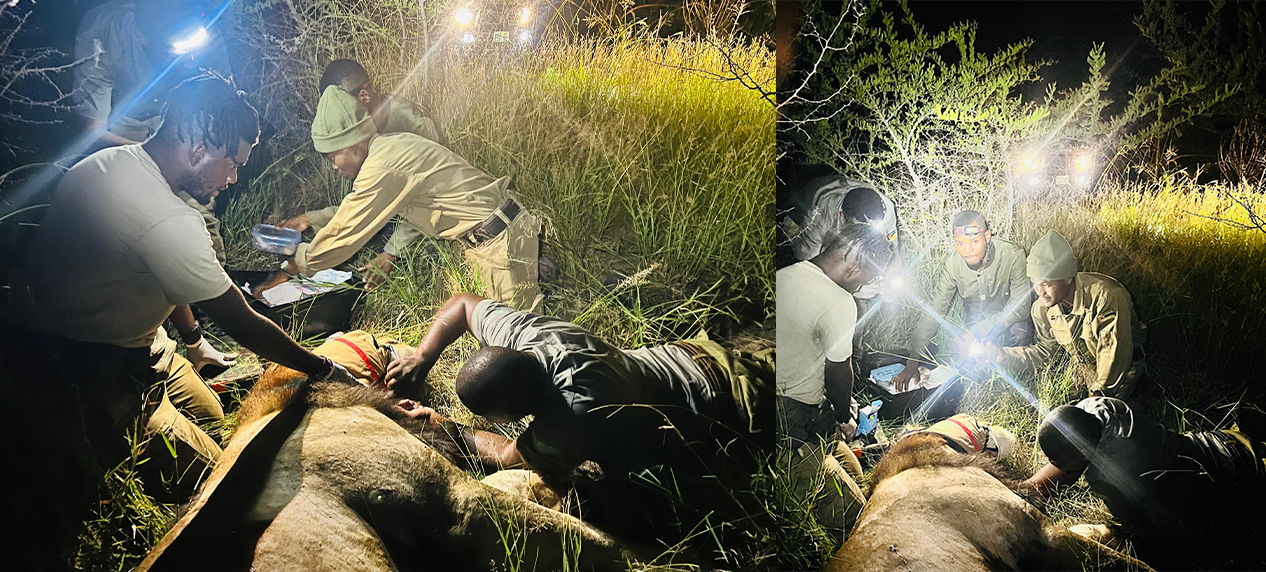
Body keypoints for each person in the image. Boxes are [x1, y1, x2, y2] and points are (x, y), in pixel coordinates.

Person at [0, 74, 354, 569]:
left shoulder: (110, 162)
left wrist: (193, 341)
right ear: (198, 145)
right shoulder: (169, 220)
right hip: (91, 372)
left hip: (139, 342)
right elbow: (244, 322)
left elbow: (170, 277)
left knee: (216, 416)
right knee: (218, 479)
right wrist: (322, 369)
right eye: (231, 162)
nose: (232, 179)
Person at [382, 292, 774, 550]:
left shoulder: (571, 417)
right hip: (689, 355)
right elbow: (465, 306)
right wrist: (421, 356)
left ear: (512, 414)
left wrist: (446, 426)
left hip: (730, 405)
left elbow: (505, 454)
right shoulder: (530, 336)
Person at [74, 0, 239, 373]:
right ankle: (143, 340)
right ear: (142, 24)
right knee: (146, 246)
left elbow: (225, 105)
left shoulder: (206, 34)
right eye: (167, 41)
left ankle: (198, 337)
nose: (178, 48)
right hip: (124, 133)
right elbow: (91, 131)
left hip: (189, 132)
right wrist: (158, 159)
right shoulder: (103, 32)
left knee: (204, 241)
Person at [271, 86, 543, 309]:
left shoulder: (382, 166)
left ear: (352, 144)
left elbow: (347, 230)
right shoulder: (387, 150)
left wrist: (295, 265)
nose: (334, 166)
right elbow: (359, 207)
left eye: (333, 157)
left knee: (521, 342)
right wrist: (310, 219)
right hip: (490, 237)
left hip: (498, 241)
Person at [1024, 398, 1266, 569]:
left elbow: (1151, 524)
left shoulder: (1113, 475)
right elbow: (1070, 463)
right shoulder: (1093, 408)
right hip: (1219, 443)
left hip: (1234, 475)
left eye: (1055, 458)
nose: (1049, 462)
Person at [279, 59, 451, 287]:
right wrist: (311, 219)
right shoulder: (358, 137)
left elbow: (433, 197)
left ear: (363, 97)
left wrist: (392, 253)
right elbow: (363, 200)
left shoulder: (409, 124)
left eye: (343, 104)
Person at [984, 229, 1147, 400]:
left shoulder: (1105, 296)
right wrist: (1003, 356)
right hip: (1085, 370)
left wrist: (1097, 393)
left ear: (1068, 278)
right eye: (1035, 283)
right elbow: (1046, 353)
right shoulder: (1041, 309)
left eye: (1046, 284)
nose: (1040, 292)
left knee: (1100, 418)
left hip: (1124, 369)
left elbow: (1113, 354)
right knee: (1053, 406)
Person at [776, 224, 894, 449]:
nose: (859, 288)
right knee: (850, 476)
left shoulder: (785, 274)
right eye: (864, 282)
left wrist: (839, 398)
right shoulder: (840, 301)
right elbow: (838, 370)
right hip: (792, 414)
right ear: (854, 269)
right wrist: (844, 417)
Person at [891, 210, 1033, 392]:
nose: (968, 250)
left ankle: (1016, 387)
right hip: (976, 317)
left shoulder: (1012, 255)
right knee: (966, 366)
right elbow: (935, 311)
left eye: (975, 242)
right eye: (960, 243)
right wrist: (912, 362)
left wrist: (976, 331)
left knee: (1021, 333)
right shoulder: (953, 265)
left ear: (987, 236)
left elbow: (1020, 307)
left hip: (1010, 317)